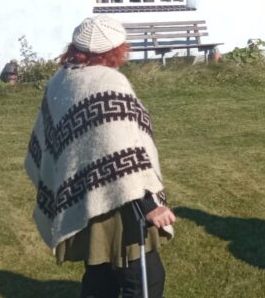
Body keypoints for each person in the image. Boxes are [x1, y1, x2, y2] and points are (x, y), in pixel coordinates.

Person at [25, 15, 176, 298]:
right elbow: (120, 147)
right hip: (120, 201)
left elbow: (49, 142)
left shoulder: (62, 79)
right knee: (144, 279)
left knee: (100, 275)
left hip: (85, 195)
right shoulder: (109, 83)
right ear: (115, 50)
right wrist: (149, 205)